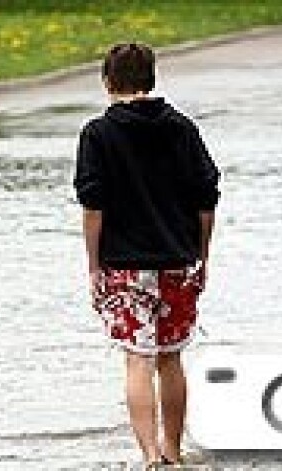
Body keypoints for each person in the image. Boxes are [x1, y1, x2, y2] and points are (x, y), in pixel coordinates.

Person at [73, 43, 220, 468]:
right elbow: (206, 201)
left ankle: (151, 456)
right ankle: (174, 452)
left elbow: (93, 206)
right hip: (178, 261)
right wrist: (202, 255)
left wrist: (94, 264)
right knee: (171, 358)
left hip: (124, 266)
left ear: (107, 82)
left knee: (138, 359)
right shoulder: (184, 129)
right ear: (152, 79)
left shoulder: (97, 134)